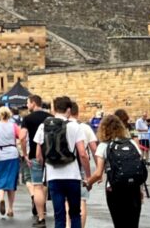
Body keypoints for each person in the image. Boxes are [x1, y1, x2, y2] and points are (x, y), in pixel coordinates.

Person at [34, 96, 90, 228]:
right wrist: (88, 176)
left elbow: (38, 155)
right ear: (69, 110)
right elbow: (83, 154)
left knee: (59, 216)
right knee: (75, 214)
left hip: (53, 176)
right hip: (72, 176)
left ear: (54, 109)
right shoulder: (75, 126)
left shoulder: (43, 126)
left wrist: (45, 166)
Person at [85, 115, 143, 228]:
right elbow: (137, 167)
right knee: (133, 223)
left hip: (114, 188)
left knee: (119, 223)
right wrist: (140, 189)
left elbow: (98, 173)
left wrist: (88, 183)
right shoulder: (132, 143)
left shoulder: (103, 146)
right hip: (133, 188)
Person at [0, 105, 24, 221]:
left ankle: (1, 199)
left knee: (0, 178)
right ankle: (10, 208)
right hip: (12, 154)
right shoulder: (14, 126)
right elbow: (21, 136)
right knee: (11, 182)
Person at [22, 95, 52, 228]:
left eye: (28, 103)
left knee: (37, 186)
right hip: (50, 156)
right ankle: (44, 206)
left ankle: (41, 217)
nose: (27, 105)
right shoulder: (50, 117)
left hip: (35, 155)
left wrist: (25, 154)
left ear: (33, 103)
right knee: (47, 185)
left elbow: (22, 137)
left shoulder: (28, 118)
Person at [70, 102, 97, 228]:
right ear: (77, 112)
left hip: (64, 166)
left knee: (66, 201)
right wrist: (98, 170)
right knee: (82, 200)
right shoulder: (85, 127)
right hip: (80, 165)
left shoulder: (62, 126)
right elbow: (94, 149)